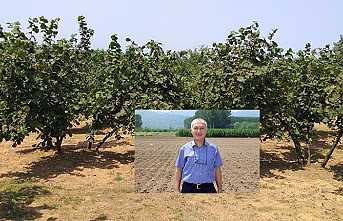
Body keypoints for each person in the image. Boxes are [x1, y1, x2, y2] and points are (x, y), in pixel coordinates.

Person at [175, 118, 223, 193]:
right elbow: (179, 169)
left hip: (208, 189)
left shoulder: (213, 149)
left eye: (202, 128)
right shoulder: (184, 149)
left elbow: (217, 170)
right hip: (188, 189)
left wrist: (220, 189)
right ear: (191, 130)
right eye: (196, 128)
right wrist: (177, 190)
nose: (198, 131)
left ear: (206, 130)